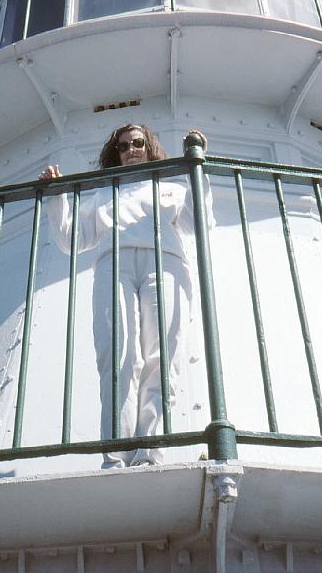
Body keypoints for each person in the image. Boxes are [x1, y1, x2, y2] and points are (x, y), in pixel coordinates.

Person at [39, 124, 213, 467]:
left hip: (166, 264)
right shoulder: (104, 195)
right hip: (112, 264)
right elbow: (70, 239)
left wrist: (197, 168)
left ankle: (149, 451)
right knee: (119, 358)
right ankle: (116, 455)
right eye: (123, 145)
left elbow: (200, 223)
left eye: (138, 142)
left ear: (149, 147)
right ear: (115, 153)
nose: (131, 148)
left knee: (162, 359)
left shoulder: (171, 189)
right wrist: (56, 196)